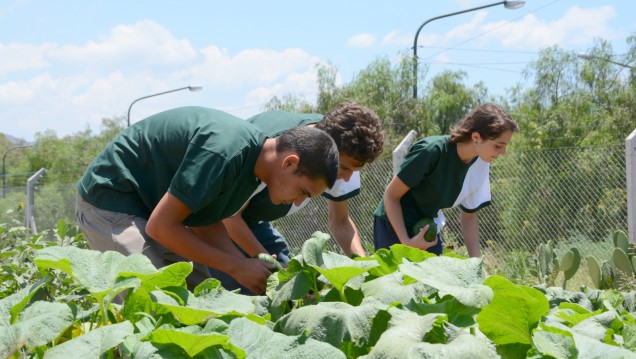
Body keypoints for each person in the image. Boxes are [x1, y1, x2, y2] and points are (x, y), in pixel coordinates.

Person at [75, 106, 339, 294]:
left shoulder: (253, 169)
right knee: (151, 297)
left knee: (202, 296)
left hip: (151, 209)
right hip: (112, 199)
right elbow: (161, 227)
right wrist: (235, 265)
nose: (296, 203)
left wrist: (248, 266)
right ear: (289, 162)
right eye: (303, 192)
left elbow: (204, 222)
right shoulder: (225, 153)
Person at [210, 102, 385, 293]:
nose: (348, 177)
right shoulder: (275, 148)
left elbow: (340, 222)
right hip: (212, 218)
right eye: (344, 168)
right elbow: (229, 217)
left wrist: (364, 268)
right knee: (254, 294)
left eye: (355, 170)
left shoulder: (347, 156)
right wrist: (276, 272)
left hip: (253, 221)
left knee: (294, 289)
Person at [373, 103, 519, 257]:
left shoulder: (481, 163)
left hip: (428, 228)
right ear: (476, 137)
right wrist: (407, 242)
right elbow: (391, 195)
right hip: (394, 226)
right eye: (498, 146)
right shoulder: (432, 151)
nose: (503, 152)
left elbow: (469, 217)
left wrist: (476, 264)